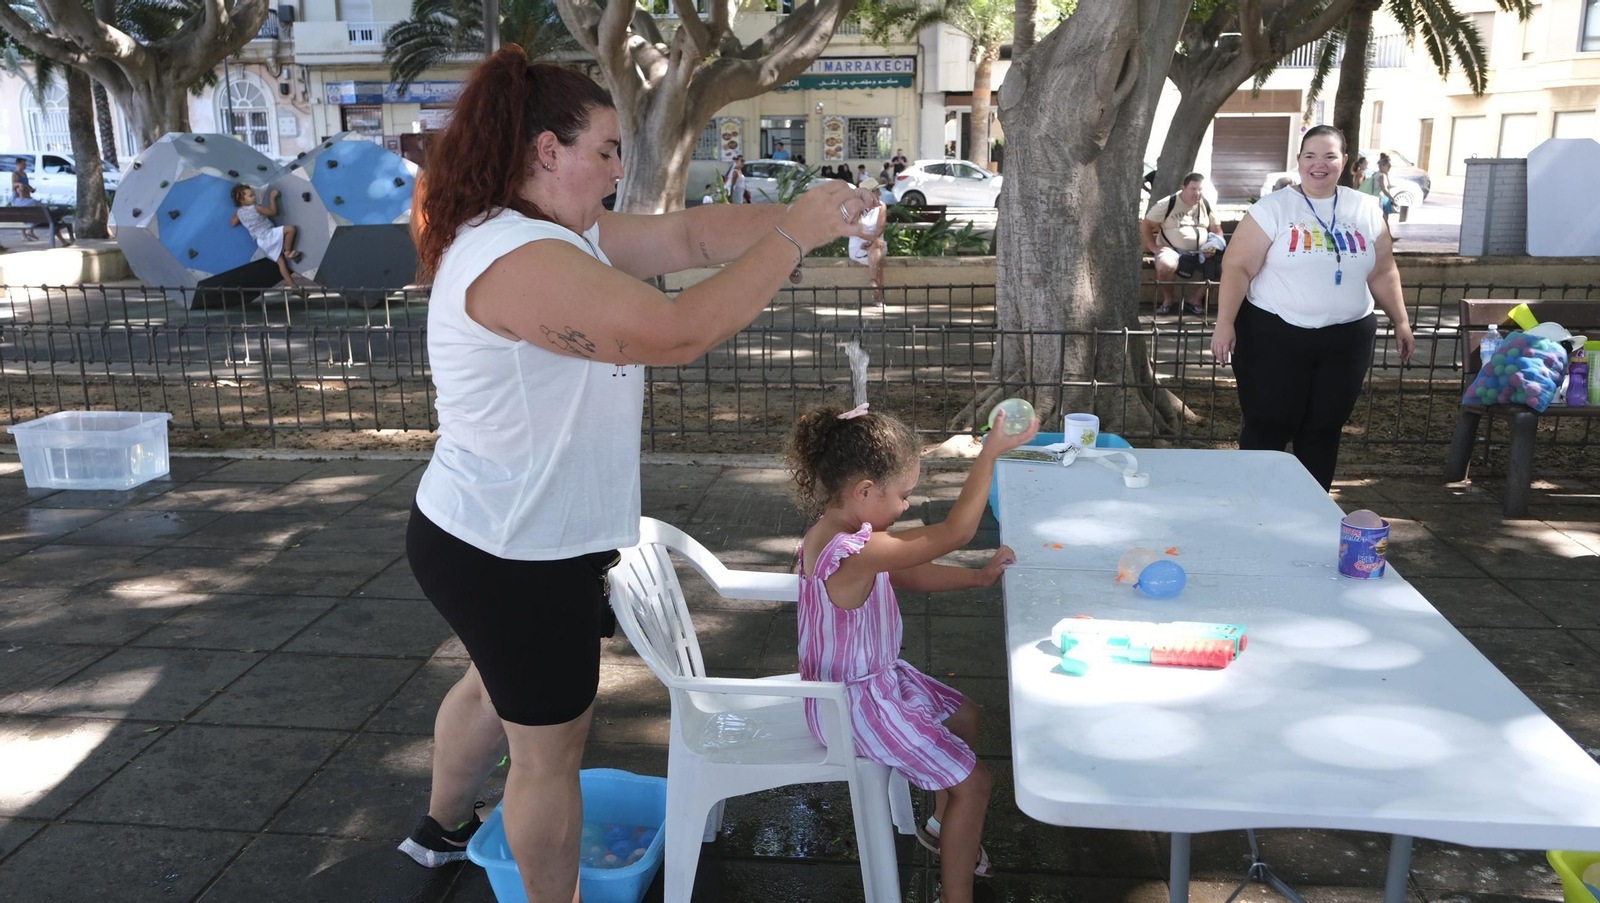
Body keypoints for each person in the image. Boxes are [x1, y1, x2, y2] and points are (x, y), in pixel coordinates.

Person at [397, 46, 881, 902]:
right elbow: (675, 330)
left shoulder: (560, 232)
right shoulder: (519, 258)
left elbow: (689, 236)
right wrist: (795, 237)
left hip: (489, 527)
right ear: (548, 150)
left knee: (492, 683)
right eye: (607, 148)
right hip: (515, 548)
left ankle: (440, 830)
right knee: (549, 752)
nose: (620, 165)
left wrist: (820, 213)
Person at [787, 405, 1036, 903]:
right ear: (863, 491)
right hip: (852, 706)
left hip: (872, 681)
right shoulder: (855, 552)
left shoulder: (844, 532)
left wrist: (976, 577)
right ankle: (956, 895)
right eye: (902, 495)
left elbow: (907, 573)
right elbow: (955, 533)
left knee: (965, 715)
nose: (905, 507)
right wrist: (989, 454)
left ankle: (945, 826)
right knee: (975, 783)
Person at [1210, 125, 1415, 491]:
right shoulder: (1273, 208)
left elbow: (1383, 271)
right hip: (1274, 334)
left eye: (1329, 156)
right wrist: (1225, 323)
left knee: (1323, 427)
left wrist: (1401, 320)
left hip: (1346, 338)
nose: (1319, 165)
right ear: (1300, 161)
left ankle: (1310, 507)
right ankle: (1253, 504)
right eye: (1310, 156)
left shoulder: (1366, 208)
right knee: (1268, 423)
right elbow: (1237, 267)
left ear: (1345, 162)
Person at [1141, 172, 1223, 317]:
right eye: (1193, 189)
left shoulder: (1206, 203)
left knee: (1224, 266)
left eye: (1200, 189)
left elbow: (1217, 230)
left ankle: (1195, 300)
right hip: (1172, 250)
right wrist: (1153, 247)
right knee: (1164, 266)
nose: (1197, 193)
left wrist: (1214, 246)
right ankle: (1168, 301)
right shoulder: (1168, 203)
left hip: (1201, 252)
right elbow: (1145, 226)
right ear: (1183, 188)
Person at [229, 184, 303, 286]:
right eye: (251, 196)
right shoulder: (255, 208)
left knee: (281, 263)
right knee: (291, 229)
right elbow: (273, 212)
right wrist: (272, 197)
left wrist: (238, 212)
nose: (254, 197)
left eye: (253, 195)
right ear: (241, 199)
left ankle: (293, 286)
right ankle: (288, 252)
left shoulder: (239, 213)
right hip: (269, 234)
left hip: (261, 242)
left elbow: (233, 223)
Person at [850, 177, 891, 305]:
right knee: (877, 254)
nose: (880, 193)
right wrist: (872, 241)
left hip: (876, 242)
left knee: (876, 248)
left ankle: (873, 282)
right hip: (858, 245)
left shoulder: (882, 206)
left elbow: (880, 227)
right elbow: (858, 230)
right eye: (877, 191)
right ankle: (878, 294)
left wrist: (872, 241)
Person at [10, 157, 38, 241]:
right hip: (18, 199)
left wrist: (31, 188)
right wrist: (19, 184)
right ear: (18, 164)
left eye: (25, 164)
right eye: (23, 164)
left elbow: (27, 184)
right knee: (25, 213)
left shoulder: (24, 174)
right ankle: (23, 234)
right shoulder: (15, 174)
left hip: (27, 197)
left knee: (34, 210)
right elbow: (14, 185)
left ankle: (31, 231)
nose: (25, 166)